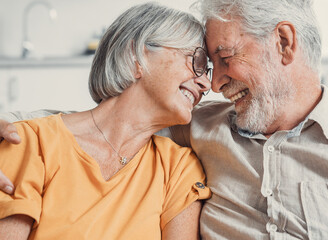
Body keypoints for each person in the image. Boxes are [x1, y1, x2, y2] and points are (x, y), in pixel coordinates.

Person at [0, 0, 328, 239]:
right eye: (204, 64)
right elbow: (96, 124)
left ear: (284, 42)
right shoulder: (200, 126)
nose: (214, 83)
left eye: (222, 59)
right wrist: (12, 125)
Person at [0, 2, 212, 239]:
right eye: (198, 61)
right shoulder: (28, 141)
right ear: (137, 55)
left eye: (207, 71)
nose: (206, 84)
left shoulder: (179, 169)